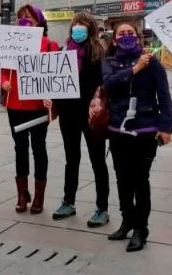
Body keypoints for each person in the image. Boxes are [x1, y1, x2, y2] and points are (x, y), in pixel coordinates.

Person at [102, 22, 172, 253]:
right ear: (114, 40)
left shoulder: (152, 63)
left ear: (138, 36)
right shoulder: (109, 62)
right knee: (122, 179)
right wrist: (134, 69)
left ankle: (141, 228)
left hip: (144, 128)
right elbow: (109, 84)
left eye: (130, 33)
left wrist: (166, 126)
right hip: (117, 129)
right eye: (121, 33)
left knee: (140, 180)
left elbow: (163, 94)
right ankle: (127, 220)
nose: (126, 36)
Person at [46, 12, 110, 227]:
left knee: (97, 160)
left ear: (90, 28)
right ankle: (69, 201)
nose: (78, 28)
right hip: (68, 113)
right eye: (75, 25)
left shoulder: (99, 52)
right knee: (71, 158)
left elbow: (105, 82)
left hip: (92, 115)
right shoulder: (63, 51)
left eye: (82, 25)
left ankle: (102, 207)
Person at [1, 4, 59, 215]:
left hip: (38, 105)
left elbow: (55, 74)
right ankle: (22, 193)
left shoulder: (49, 45)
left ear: (39, 22)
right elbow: (1, 67)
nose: (25, 21)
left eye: (29, 18)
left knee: (39, 148)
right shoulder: (10, 43)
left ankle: (39, 196)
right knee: (19, 148)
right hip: (15, 103)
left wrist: (51, 96)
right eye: (21, 18)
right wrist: (4, 81)